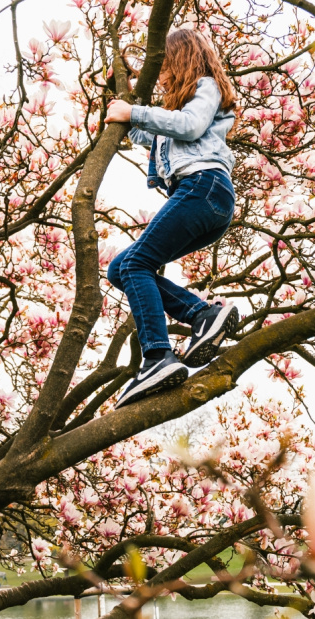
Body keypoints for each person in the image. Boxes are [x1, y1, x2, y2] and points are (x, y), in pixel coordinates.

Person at [104, 28, 241, 408]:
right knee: (120, 268)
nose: (161, 75)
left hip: (204, 188)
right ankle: (202, 315)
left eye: (164, 66)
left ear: (180, 59)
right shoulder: (179, 108)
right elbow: (157, 137)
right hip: (202, 197)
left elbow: (189, 127)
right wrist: (124, 114)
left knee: (135, 265)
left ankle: (156, 357)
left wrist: (135, 111)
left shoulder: (208, 86)